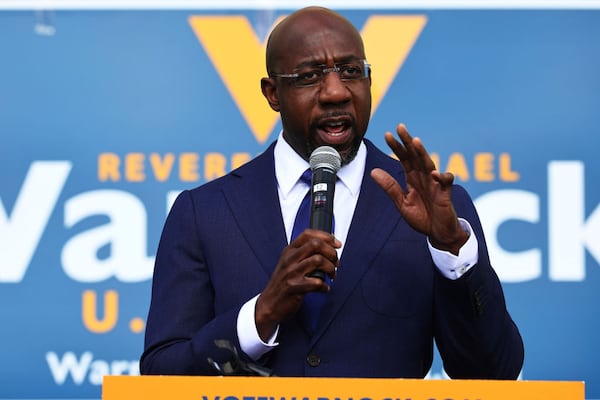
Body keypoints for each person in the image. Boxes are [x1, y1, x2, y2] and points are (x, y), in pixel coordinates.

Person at [140, 6, 524, 379]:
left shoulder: (436, 208)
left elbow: (493, 373)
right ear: (273, 93)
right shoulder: (204, 212)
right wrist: (260, 315)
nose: (336, 92)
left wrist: (452, 251)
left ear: (369, 82)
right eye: (309, 76)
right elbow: (161, 374)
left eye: (351, 71)